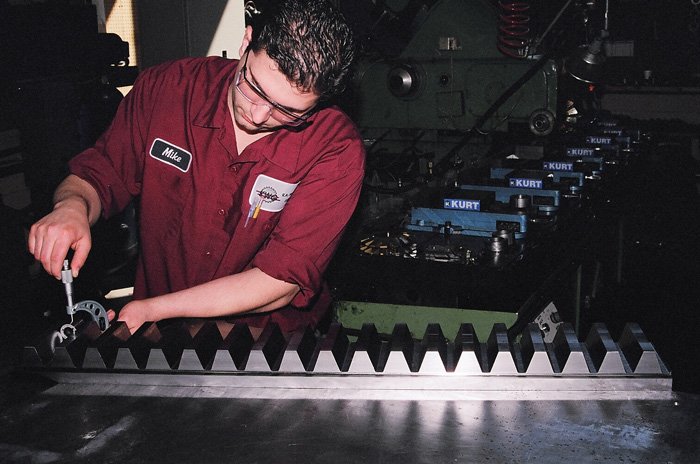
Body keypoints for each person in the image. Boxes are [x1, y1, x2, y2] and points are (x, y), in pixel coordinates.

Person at [27, 0, 365, 334]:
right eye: (254, 88)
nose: (259, 115)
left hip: (264, 336)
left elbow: (281, 279)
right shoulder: (167, 90)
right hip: (156, 322)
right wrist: (72, 206)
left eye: (288, 112)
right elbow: (99, 174)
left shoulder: (335, 147)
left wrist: (158, 310)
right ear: (246, 42)